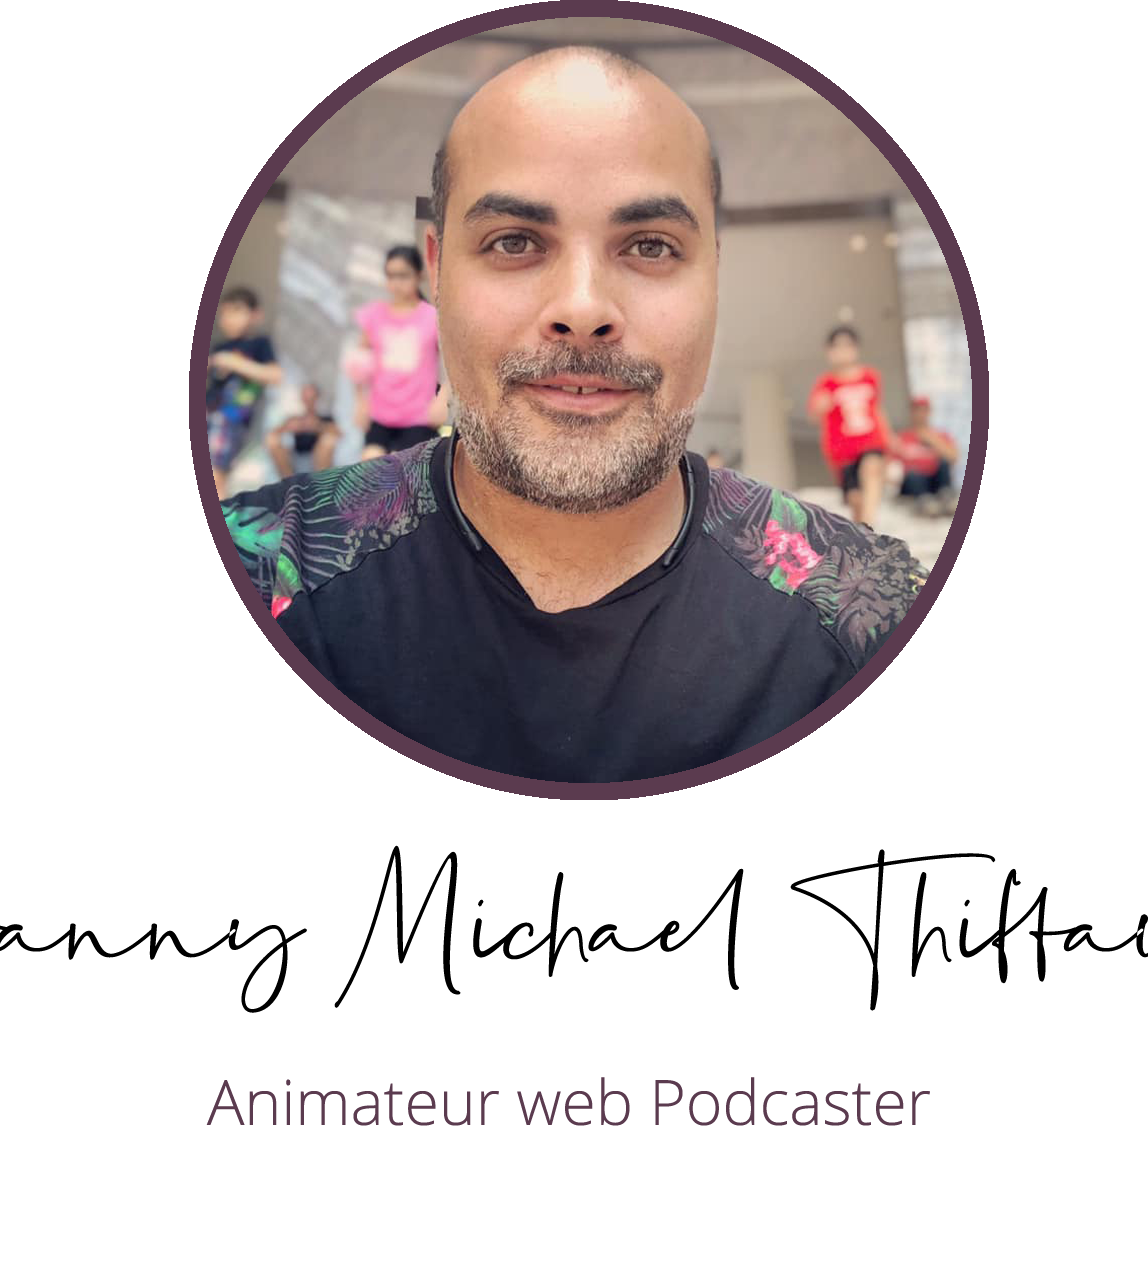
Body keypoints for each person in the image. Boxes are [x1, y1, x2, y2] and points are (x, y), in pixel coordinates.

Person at [220, 47, 928, 781]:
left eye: (651, 246)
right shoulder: (264, 567)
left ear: (715, 274)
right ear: (437, 272)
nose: (583, 309)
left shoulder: (864, 609)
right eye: (514, 242)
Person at [351, 247, 452, 460]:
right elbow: (359, 363)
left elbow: (454, 360)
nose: (396, 283)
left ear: (419, 275)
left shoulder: (431, 317)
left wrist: (443, 398)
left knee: (405, 471)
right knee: (370, 465)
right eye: (390, 276)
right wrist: (360, 402)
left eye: (403, 275)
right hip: (380, 413)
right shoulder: (374, 314)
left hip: (418, 417)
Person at [806, 326, 895, 528]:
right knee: (856, 499)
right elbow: (813, 415)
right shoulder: (826, 383)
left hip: (871, 441)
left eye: (847, 346)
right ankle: (861, 533)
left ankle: (870, 528)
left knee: (871, 469)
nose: (843, 352)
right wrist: (821, 406)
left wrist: (890, 439)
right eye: (837, 347)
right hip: (843, 452)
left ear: (856, 349)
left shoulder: (870, 377)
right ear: (829, 352)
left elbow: (877, 409)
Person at [207, 287, 283, 499]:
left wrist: (233, 362)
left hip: (231, 419)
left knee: (216, 476)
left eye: (236, 311)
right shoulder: (220, 346)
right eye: (224, 313)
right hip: (210, 413)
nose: (228, 319)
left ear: (256, 314)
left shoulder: (259, 344)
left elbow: (275, 375)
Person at [891, 396, 959, 517]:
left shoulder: (940, 435)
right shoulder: (902, 437)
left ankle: (946, 497)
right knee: (913, 475)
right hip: (913, 484)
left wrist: (932, 440)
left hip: (935, 481)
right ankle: (925, 502)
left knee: (943, 464)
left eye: (924, 410)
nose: (920, 414)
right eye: (917, 410)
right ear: (911, 412)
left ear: (929, 412)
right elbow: (891, 465)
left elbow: (953, 458)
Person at [266, 382, 340, 478]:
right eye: (306, 398)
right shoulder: (295, 418)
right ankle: (289, 482)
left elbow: (338, 432)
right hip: (296, 455)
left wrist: (318, 427)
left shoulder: (324, 417)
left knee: (328, 441)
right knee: (272, 440)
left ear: (317, 398)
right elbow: (274, 432)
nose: (308, 401)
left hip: (319, 457)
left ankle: (320, 482)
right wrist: (288, 427)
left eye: (311, 398)